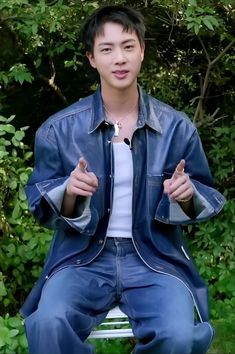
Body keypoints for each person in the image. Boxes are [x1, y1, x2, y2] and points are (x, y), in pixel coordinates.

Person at [21, 5, 225, 354]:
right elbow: (42, 205)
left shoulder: (176, 128)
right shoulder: (59, 130)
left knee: (178, 335)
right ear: (91, 58)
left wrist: (186, 194)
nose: (119, 58)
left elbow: (203, 195)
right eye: (107, 49)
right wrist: (70, 193)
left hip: (155, 259)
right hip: (82, 258)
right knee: (48, 322)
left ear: (142, 51)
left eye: (128, 46)